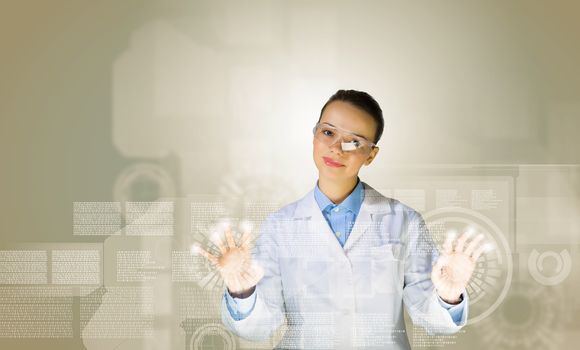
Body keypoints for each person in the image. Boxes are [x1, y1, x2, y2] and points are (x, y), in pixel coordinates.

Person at [197, 90, 487, 349]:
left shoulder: (403, 222)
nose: (337, 148)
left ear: (371, 155)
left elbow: (434, 322)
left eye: (354, 142)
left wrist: (449, 296)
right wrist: (242, 291)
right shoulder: (281, 226)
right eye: (328, 133)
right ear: (314, 135)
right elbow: (259, 328)